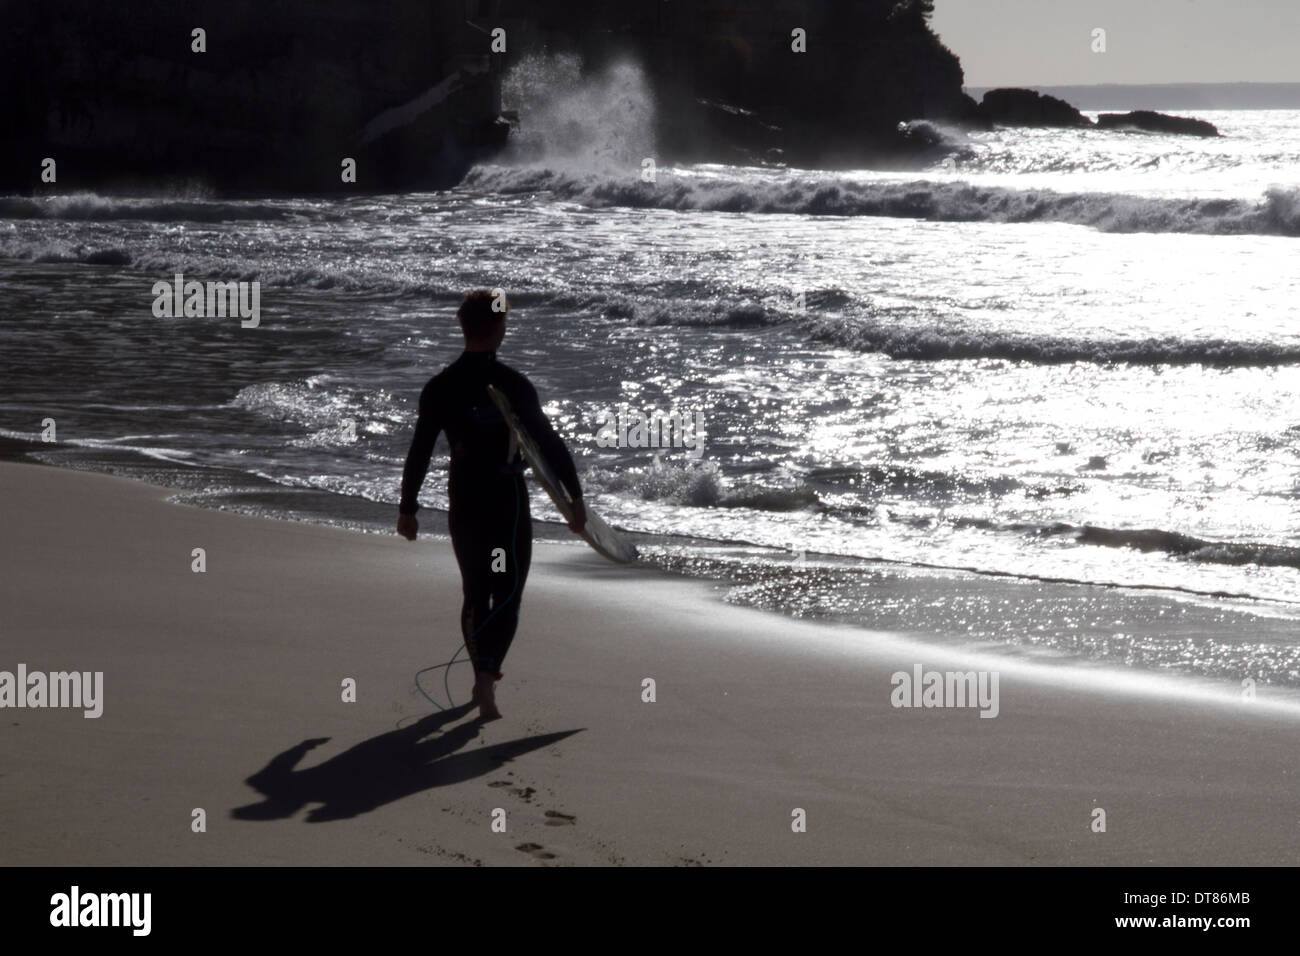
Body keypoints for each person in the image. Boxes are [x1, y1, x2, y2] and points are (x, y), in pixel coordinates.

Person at [397, 289, 585, 720]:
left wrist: (408, 508)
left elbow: (420, 451)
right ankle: (487, 676)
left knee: (476, 590)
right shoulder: (515, 386)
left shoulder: (441, 386)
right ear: (500, 329)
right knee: (508, 589)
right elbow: (548, 444)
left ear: (464, 327)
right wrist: (575, 500)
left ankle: (482, 672)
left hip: (465, 496)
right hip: (506, 500)